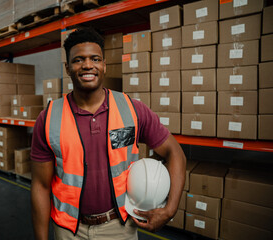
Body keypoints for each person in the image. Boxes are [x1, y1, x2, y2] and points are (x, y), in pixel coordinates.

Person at [30, 27, 186, 240]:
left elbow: (175, 153)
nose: (87, 65)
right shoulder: (48, 118)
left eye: (95, 59)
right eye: (78, 60)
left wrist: (170, 210)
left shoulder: (132, 109)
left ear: (104, 65)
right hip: (68, 230)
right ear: (67, 68)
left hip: (119, 227)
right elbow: (40, 185)